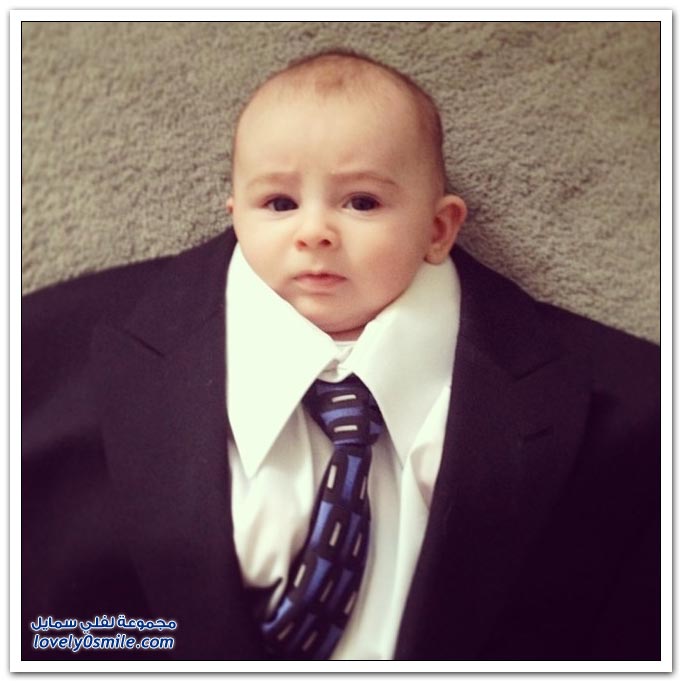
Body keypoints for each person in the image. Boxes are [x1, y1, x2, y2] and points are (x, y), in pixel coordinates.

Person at [21, 49, 660, 662]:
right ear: (236, 215)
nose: (315, 232)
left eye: (362, 202)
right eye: (279, 203)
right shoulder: (36, 356)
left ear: (439, 228)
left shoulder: (643, 409)